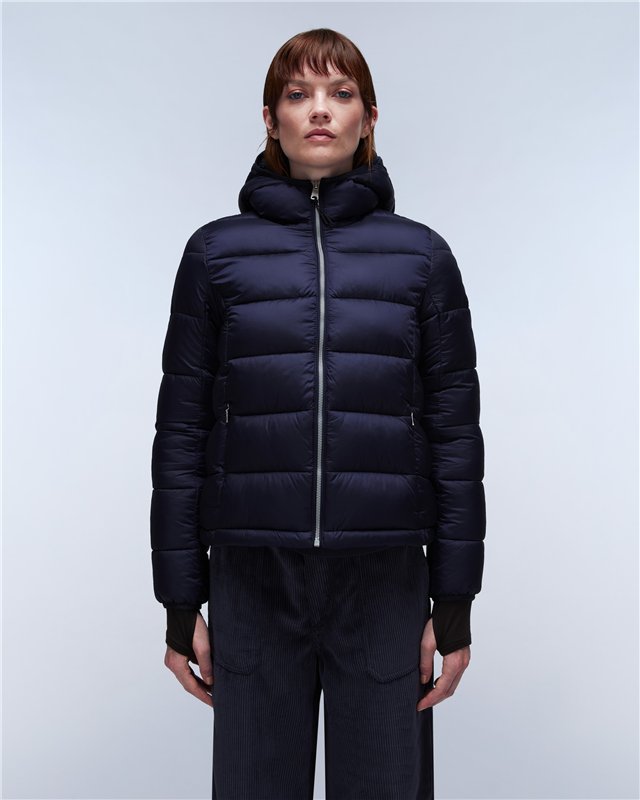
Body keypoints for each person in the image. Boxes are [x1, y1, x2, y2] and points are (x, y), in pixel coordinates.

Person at [150, 27, 485, 800]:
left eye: (341, 93)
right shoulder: (215, 255)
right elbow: (181, 435)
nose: (321, 110)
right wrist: (179, 601)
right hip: (252, 575)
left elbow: (455, 438)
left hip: (386, 578)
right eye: (298, 94)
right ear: (271, 120)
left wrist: (454, 602)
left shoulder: (422, 258)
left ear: (370, 117)